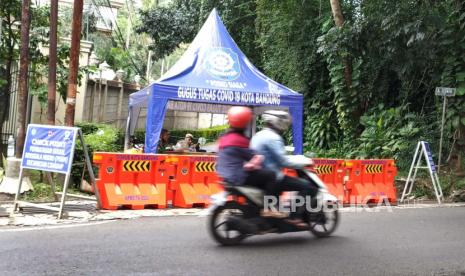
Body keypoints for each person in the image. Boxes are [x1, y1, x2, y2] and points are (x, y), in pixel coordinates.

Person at [250, 110, 319, 227]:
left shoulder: (258, 135)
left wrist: (298, 159)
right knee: (308, 187)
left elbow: (277, 157)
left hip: (260, 176)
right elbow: (283, 161)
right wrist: (305, 162)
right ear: (279, 122)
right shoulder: (274, 138)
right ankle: (294, 217)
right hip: (273, 177)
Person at [216, 106, 282, 217]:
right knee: (271, 175)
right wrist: (258, 159)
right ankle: (269, 208)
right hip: (238, 177)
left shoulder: (224, 137)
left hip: (224, 175)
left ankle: (254, 206)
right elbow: (253, 157)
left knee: (259, 176)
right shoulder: (240, 139)